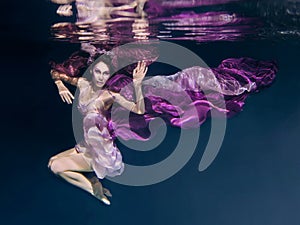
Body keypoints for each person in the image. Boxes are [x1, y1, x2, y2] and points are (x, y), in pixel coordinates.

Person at [48, 59, 148, 205]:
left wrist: (137, 85)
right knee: (51, 162)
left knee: (56, 167)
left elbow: (139, 110)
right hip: (87, 145)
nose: (101, 77)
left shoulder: (109, 95)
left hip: (101, 151)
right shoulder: (83, 84)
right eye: (98, 72)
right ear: (92, 72)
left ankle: (94, 191)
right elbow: (54, 72)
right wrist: (60, 85)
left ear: (110, 75)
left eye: (106, 73)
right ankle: (93, 179)